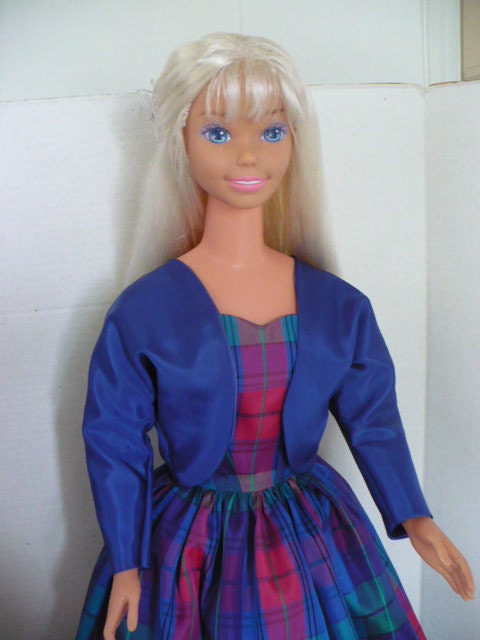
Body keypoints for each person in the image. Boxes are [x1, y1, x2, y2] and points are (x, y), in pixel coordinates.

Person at [76, 33, 474, 640]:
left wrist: (414, 516)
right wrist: (127, 562)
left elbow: (373, 419)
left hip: (308, 527)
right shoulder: (146, 311)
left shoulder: (337, 305)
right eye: (217, 133)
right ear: (180, 141)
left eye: (272, 131)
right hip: (190, 540)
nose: (248, 157)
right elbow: (114, 437)